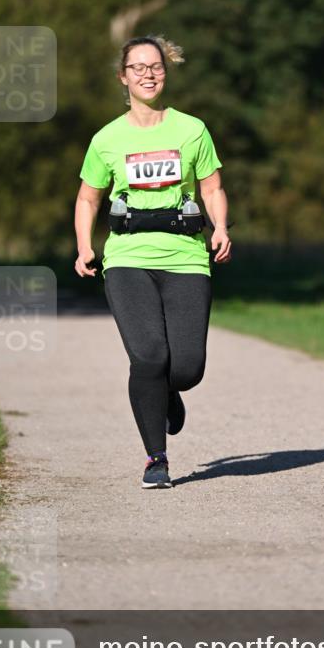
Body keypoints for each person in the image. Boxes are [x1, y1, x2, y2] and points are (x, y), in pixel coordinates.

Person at [74, 34, 231, 489]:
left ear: (166, 72)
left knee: (186, 369)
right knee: (148, 356)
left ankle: (167, 391)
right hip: (126, 258)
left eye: (155, 66)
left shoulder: (191, 130)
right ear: (123, 78)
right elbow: (88, 198)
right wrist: (86, 245)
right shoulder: (107, 139)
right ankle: (155, 458)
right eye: (138, 67)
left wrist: (220, 227)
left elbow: (212, 188)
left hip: (185, 256)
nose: (148, 73)